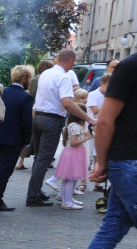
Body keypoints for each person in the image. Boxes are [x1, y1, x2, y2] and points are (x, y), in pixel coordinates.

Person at [60, 42, 137, 249]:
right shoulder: (132, 66)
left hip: (133, 163)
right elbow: (105, 121)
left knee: (112, 228)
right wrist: (101, 163)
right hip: (133, 163)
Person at [26, 49, 94, 207]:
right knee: (44, 159)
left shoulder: (46, 73)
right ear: (70, 61)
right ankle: (32, 195)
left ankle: (35, 191)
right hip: (51, 119)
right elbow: (67, 102)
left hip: (38, 117)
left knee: (38, 158)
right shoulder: (63, 77)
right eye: (73, 62)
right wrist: (89, 118)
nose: (73, 65)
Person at [0, 65, 34, 211]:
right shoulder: (26, 97)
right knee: (5, 170)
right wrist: (27, 141)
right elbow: (26, 122)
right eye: (29, 78)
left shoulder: (3, 92)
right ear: (25, 78)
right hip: (13, 139)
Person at [16, 60, 54, 170]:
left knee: (31, 136)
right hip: (44, 110)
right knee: (41, 138)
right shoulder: (48, 80)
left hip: (32, 108)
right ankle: (41, 162)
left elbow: (30, 94)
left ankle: (20, 161)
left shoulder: (33, 80)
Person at [54, 113, 90, 209]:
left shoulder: (71, 125)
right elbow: (74, 143)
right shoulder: (76, 127)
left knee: (67, 179)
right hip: (74, 153)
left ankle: (67, 199)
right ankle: (67, 202)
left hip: (71, 152)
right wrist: (86, 138)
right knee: (71, 179)